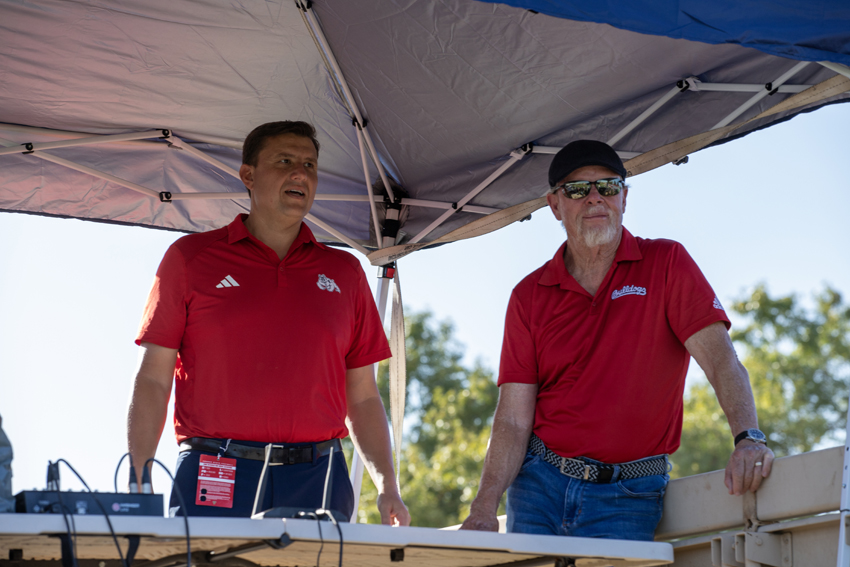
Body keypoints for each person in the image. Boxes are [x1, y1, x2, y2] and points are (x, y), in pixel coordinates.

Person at [460, 140, 773, 540]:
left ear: (624, 197)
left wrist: (748, 438)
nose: (595, 199)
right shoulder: (529, 294)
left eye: (607, 187)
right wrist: (484, 506)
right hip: (538, 485)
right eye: (577, 190)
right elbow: (513, 418)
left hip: (629, 492)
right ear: (555, 205)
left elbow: (720, 361)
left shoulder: (667, 263)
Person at [127, 121, 409, 525]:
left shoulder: (345, 272)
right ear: (248, 175)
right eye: (285, 161)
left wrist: (387, 486)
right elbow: (154, 378)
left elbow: (362, 395)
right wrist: (139, 482)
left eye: (310, 165)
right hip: (215, 467)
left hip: (318, 475)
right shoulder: (190, 259)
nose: (301, 173)